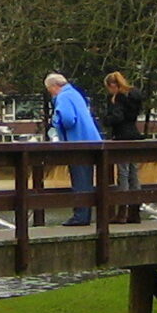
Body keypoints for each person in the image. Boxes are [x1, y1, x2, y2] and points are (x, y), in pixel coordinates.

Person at [44, 71, 103, 224]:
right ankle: (85, 215)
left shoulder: (63, 96)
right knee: (87, 180)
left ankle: (80, 217)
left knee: (80, 180)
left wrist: (55, 121)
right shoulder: (75, 94)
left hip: (79, 143)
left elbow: (69, 120)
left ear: (54, 86)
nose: (50, 93)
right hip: (91, 141)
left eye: (49, 89)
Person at [100, 70, 146, 220]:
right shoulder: (134, 95)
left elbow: (117, 117)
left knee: (123, 173)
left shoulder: (118, 97)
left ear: (113, 85)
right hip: (134, 135)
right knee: (134, 173)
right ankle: (135, 211)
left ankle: (122, 212)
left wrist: (106, 120)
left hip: (121, 137)